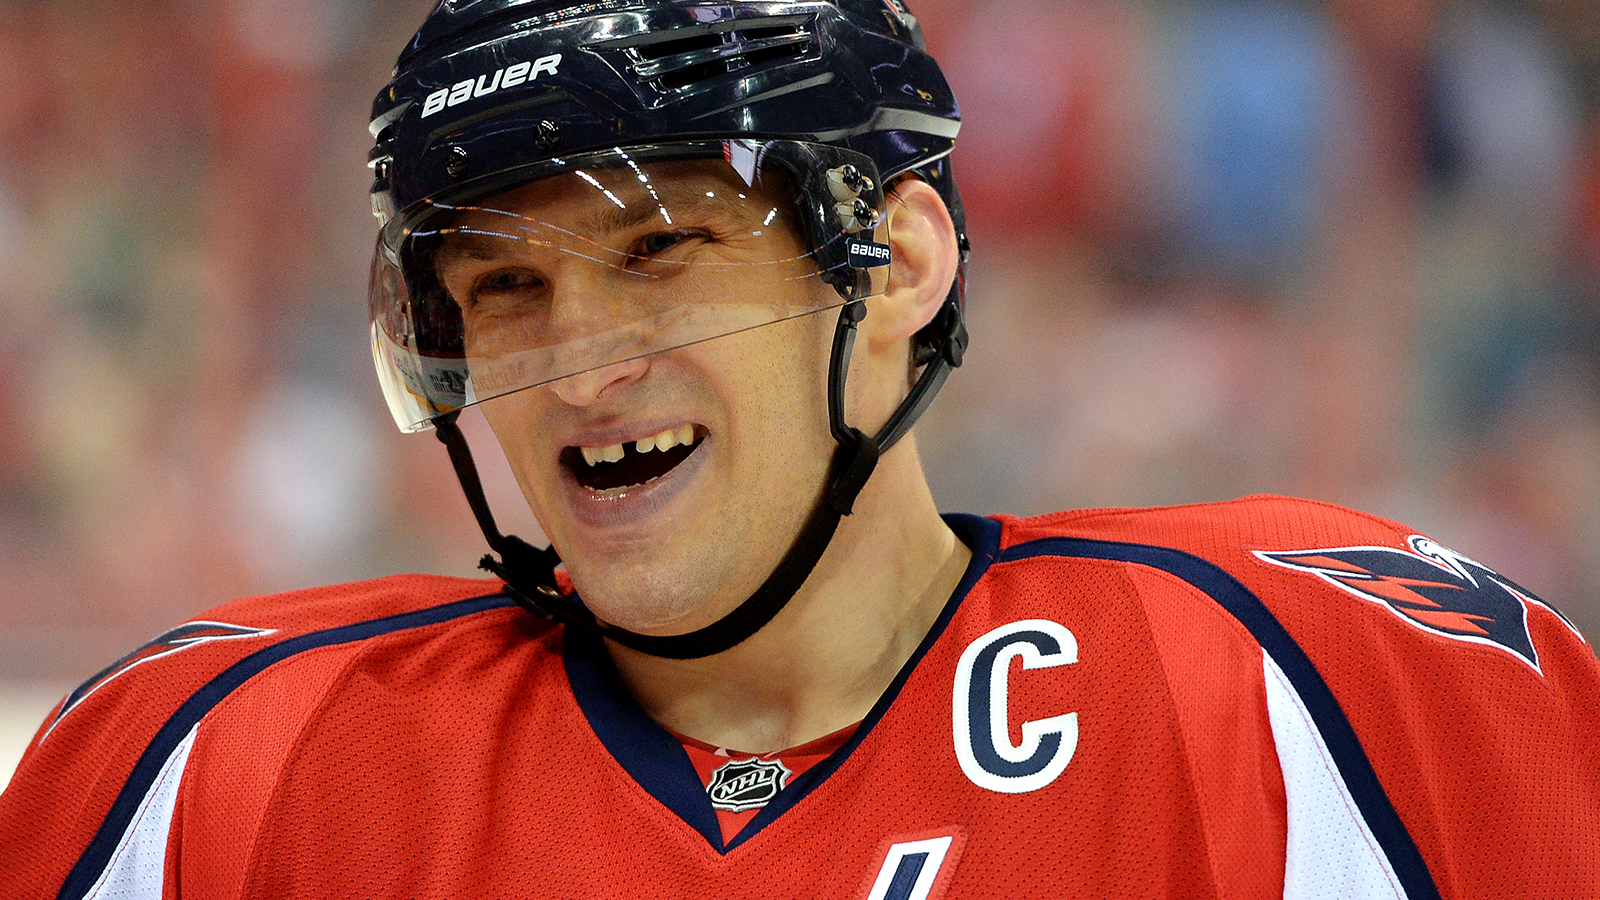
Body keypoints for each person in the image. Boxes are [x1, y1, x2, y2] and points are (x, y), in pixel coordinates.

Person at [2, 1, 1597, 896]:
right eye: (507, 292)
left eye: (660, 257)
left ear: (895, 269)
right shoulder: (218, 771)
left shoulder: (1313, 686)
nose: (581, 369)